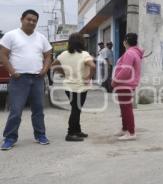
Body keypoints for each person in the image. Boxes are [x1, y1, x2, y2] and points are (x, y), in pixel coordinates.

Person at [0, 9, 52, 150]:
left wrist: (45, 69)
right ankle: (10, 138)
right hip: (19, 79)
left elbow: (48, 54)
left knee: (38, 109)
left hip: (37, 78)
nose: (31, 22)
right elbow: (3, 54)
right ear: (22, 19)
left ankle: (40, 135)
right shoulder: (11, 35)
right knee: (16, 110)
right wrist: (12, 71)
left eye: (34, 20)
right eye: (29, 19)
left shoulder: (41, 37)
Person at [52, 33, 95, 142]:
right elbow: (93, 66)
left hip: (68, 87)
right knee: (76, 110)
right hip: (81, 87)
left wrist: (64, 73)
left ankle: (77, 131)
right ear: (81, 42)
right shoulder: (84, 54)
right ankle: (70, 133)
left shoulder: (63, 54)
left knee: (76, 109)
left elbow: (53, 65)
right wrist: (89, 77)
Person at [112, 33, 144, 141]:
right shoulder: (134, 53)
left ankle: (131, 132)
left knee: (126, 109)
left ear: (125, 41)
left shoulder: (130, 53)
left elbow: (126, 70)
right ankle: (125, 129)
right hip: (126, 84)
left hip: (125, 84)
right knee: (124, 108)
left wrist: (115, 81)